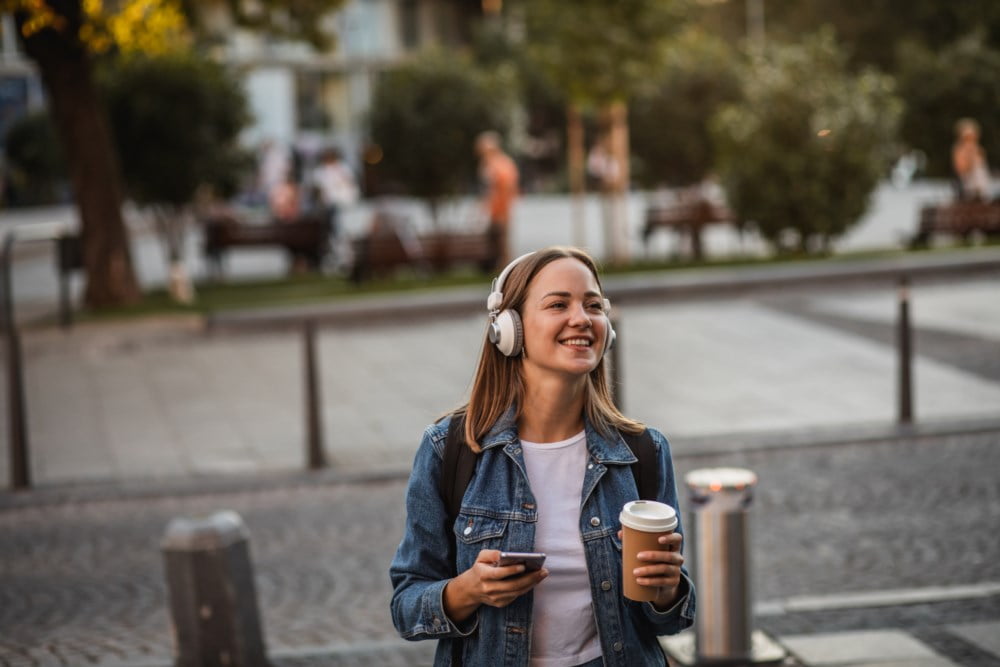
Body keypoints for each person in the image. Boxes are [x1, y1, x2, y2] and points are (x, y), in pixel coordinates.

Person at [390, 247, 695, 666]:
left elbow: (671, 618)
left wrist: (667, 590)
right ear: (508, 328)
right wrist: (470, 589)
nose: (581, 318)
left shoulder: (643, 451)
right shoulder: (452, 449)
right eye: (558, 304)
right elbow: (406, 605)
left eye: (593, 305)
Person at [476, 131, 519, 268]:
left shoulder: (502, 164)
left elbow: (507, 188)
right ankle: (500, 269)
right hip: (493, 211)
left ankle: (508, 270)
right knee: (495, 241)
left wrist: (501, 208)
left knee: (502, 242)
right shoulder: (488, 164)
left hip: (501, 210)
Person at [310, 146, 359, 253]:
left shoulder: (344, 168)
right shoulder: (320, 171)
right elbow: (317, 190)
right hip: (330, 206)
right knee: (334, 230)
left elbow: (351, 185)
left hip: (346, 205)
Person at [952, 118, 992, 202]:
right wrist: (970, 156)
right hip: (968, 189)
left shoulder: (979, 149)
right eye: (968, 137)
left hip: (982, 191)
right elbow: (961, 171)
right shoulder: (959, 150)